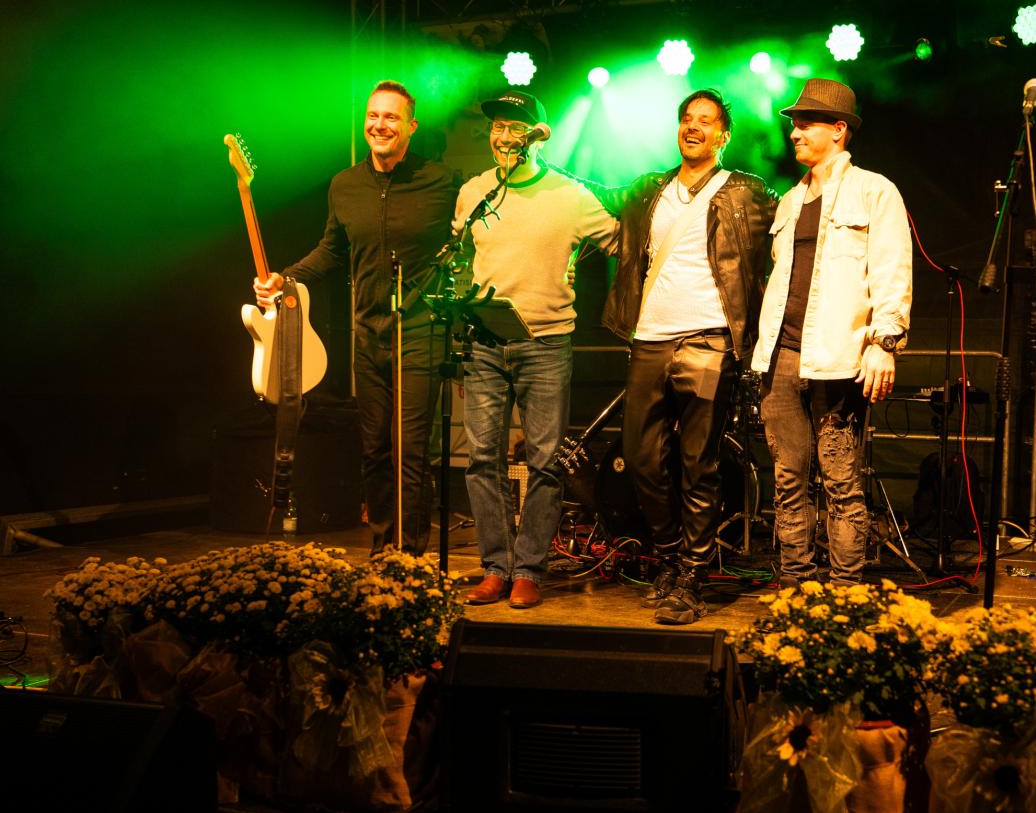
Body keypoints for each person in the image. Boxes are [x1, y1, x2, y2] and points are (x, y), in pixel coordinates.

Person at [253, 80, 458, 556]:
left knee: (410, 451)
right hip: (368, 334)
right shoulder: (345, 186)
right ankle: (383, 550)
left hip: (421, 332)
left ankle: (412, 556)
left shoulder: (442, 182)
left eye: (391, 117)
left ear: (411, 126)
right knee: (375, 450)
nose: (379, 125)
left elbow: (473, 238)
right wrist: (285, 278)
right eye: (373, 115)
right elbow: (332, 250)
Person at [599, 89, 777, 624]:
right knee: (642, 457)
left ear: (724, 135)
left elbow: (791, 232)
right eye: (686, 118)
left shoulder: (746, 191)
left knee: (699, 462)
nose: (693, 126)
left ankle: (693, 575)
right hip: (650, 337)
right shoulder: (648, 190)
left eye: (705, 120)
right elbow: (593, 198)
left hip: (709, 339)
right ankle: (672, 556)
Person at [458, 91, 617, 609]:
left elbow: (622, 243)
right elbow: (461, 257)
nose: (503, 136)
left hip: (546, 344)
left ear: (538, 136)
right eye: (497, 126)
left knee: (545, 462)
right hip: (485, 343)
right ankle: (495, 567)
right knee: (482, 459)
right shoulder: (474, 192)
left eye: (515, 127)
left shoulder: (570, 195)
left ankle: (528, 569)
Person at [751, 78, 913, 587]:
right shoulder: (788, 201)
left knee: (841, 483)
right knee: (788, 482)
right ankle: (795, 586)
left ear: (839, 129)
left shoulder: (874, 190)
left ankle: (844, 594)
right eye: (794, 125)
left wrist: (885, 343)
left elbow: (892, 269)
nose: (794, 133)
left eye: (806, 124)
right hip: (781, 357)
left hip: (838, 359)